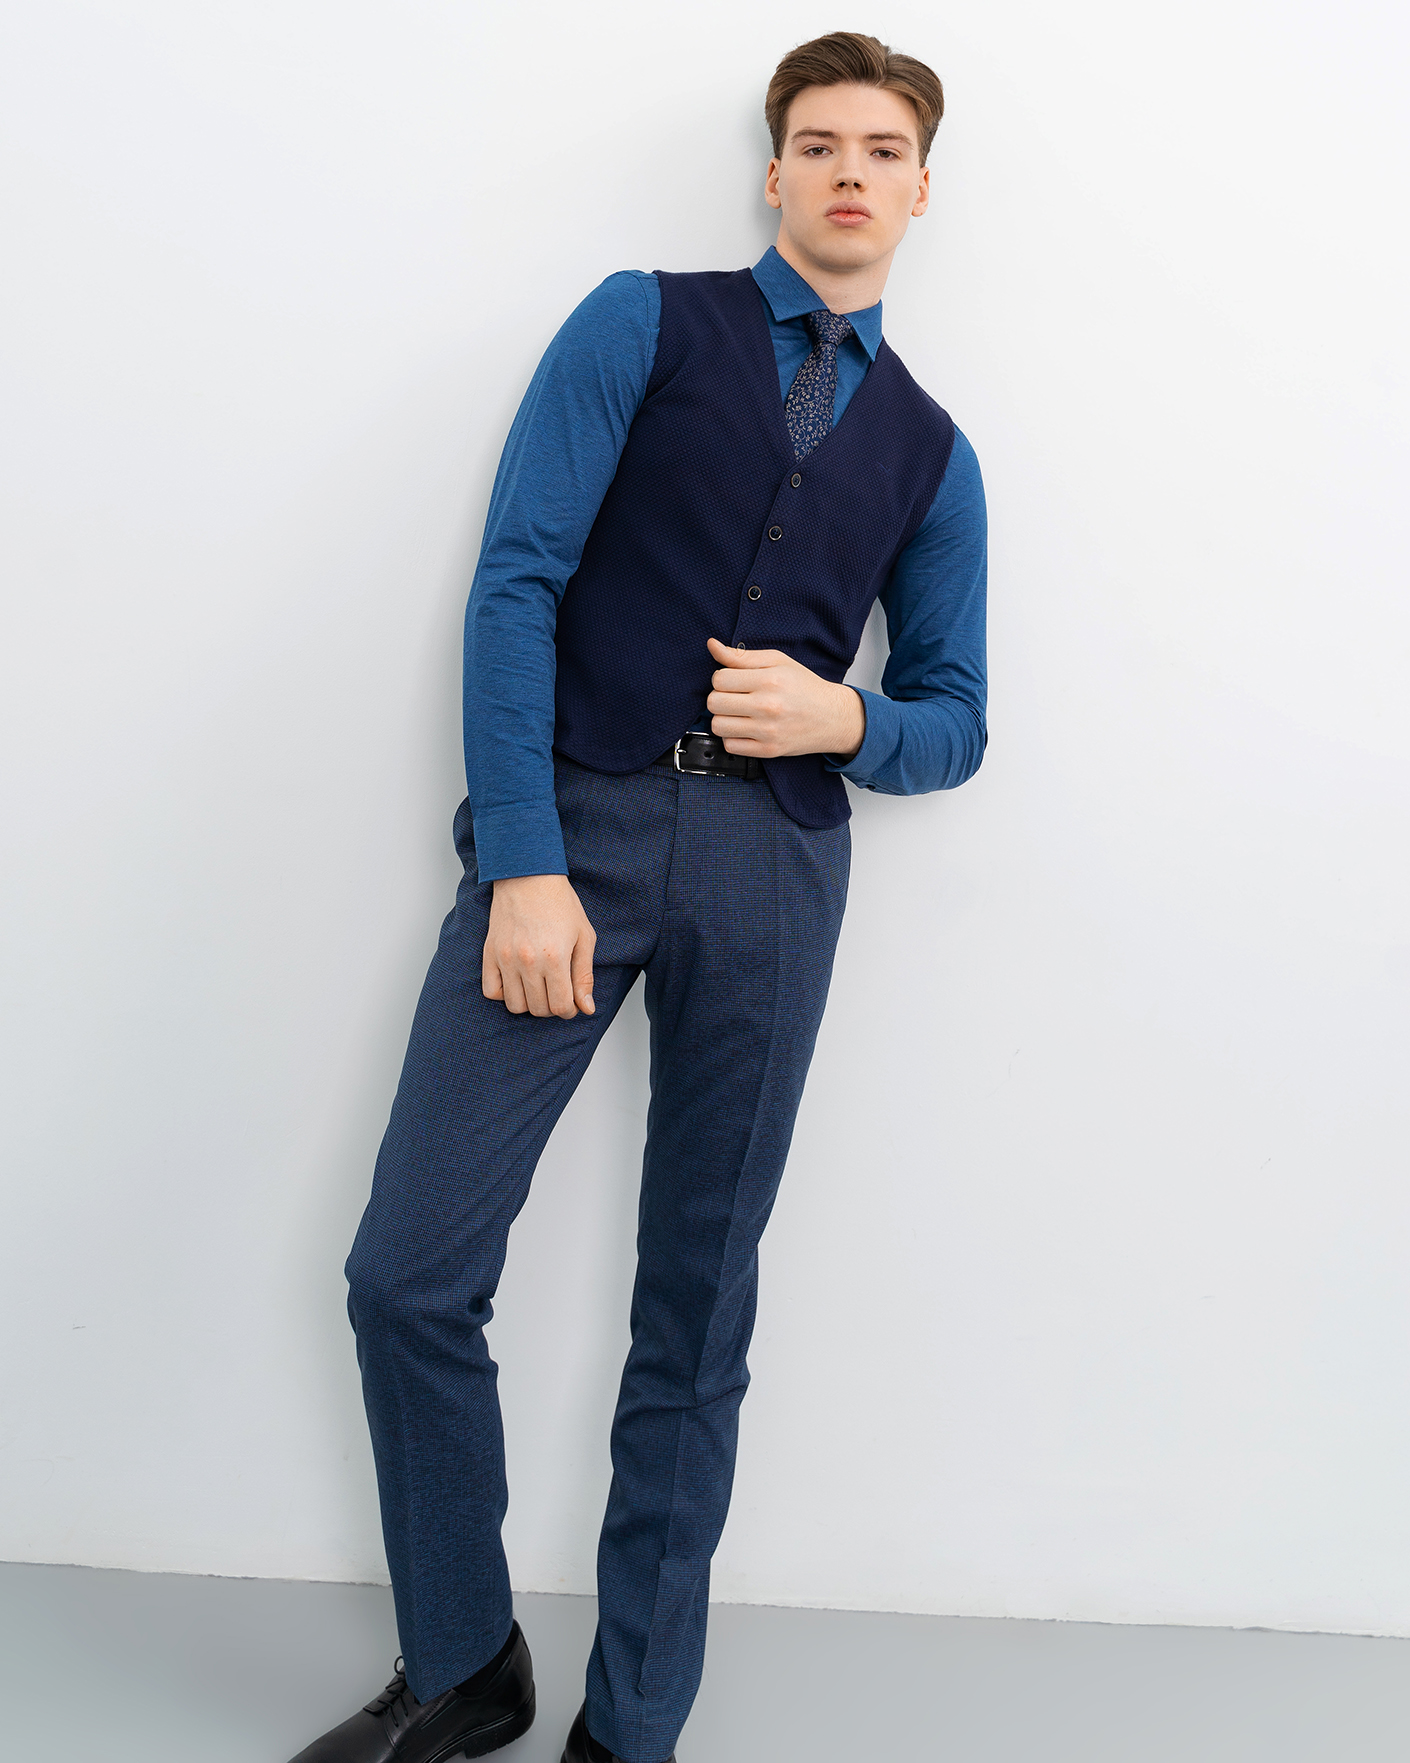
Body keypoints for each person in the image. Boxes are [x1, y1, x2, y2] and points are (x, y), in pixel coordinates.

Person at [288, 28, 987, 1763]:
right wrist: (524, 860)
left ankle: (634, 1727)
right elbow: (516, 581)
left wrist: (849, 720)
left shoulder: (932, 452)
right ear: (771, 172)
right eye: (816, 142)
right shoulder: (640, 323)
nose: (846, 171)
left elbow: (957, 720)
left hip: (775, 874)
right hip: (576, 833)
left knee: (697, 1304)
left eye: (880, 150)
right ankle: (464, 1662)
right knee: (409, 1273)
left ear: (921, 188)